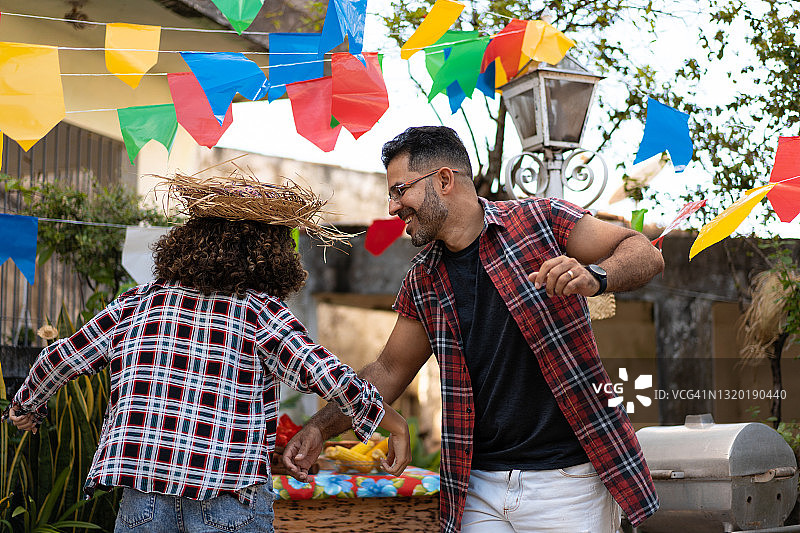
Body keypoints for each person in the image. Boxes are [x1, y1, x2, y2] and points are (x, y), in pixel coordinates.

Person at [283, 126, 664, 533]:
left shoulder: (541, 220)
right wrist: (318, 428)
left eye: (400, 191)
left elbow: (643, 252)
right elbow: (388, 370)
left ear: (444, 180)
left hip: (568, 483)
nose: (393, 207)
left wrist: (595, 276)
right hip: (477, 487)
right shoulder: (422, 279)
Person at [5, 174, 411, 533]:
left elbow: (59, 358)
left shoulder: (136, 304)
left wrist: (27, 406)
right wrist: (392, 422)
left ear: (190, 240)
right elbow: (323, 372)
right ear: (270, 253)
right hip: (228, 503)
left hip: (143, 503)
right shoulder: (258, 313)